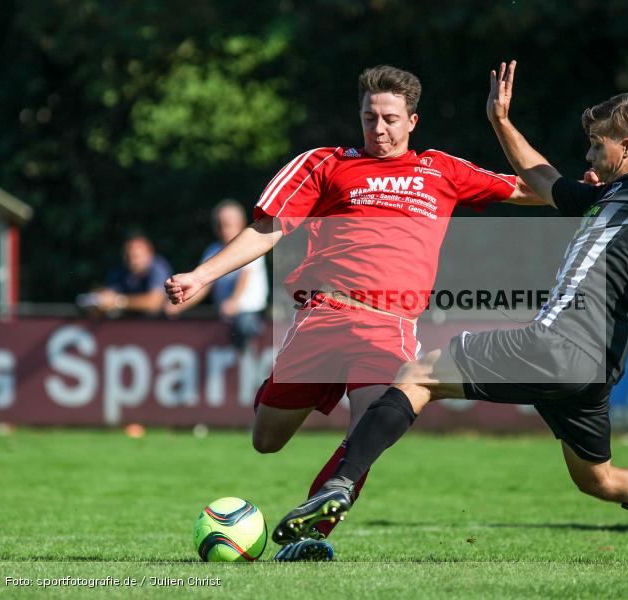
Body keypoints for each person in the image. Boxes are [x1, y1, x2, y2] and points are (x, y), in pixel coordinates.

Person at [278, 61, 628, 565]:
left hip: (560, 343)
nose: (589, 153)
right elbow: (542, 179)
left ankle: (340, 484)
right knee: (599, 479)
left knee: (418, 371)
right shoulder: (604, 195)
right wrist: (501, 121)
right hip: (593, 367)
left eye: (598, 144)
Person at [165, 65, 541, 561]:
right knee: (266, 438)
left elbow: (529, 188)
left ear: (412, 121)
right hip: (322, 315)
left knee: (369, 429)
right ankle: (315, 500)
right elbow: (268, 227)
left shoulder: (441, 169)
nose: (378, 129)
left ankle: (308, 533)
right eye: (369, 118)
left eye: (389, 119)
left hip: (387, 326)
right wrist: (201, 275)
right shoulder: (326, 164)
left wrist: (582, 187)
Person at [166, 200, 269, 349]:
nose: (223, 230)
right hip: (224, 315)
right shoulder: (213, 250)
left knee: (243, 331)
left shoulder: (251, 246)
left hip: (250, 314)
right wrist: (179, 306)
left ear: (240, 223)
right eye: (219, 225)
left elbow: (244, 277)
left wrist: (233, 301)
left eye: (227, 224)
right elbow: (202, 285)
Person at [80, 232, 172, 317]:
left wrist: (119, 301)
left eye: (136, 256)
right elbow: (109, 294)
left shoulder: (158, 268)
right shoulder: (120, 271)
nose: (132, 261)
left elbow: (154, 303)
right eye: (128, 256)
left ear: (150, 253)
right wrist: (101, 300)